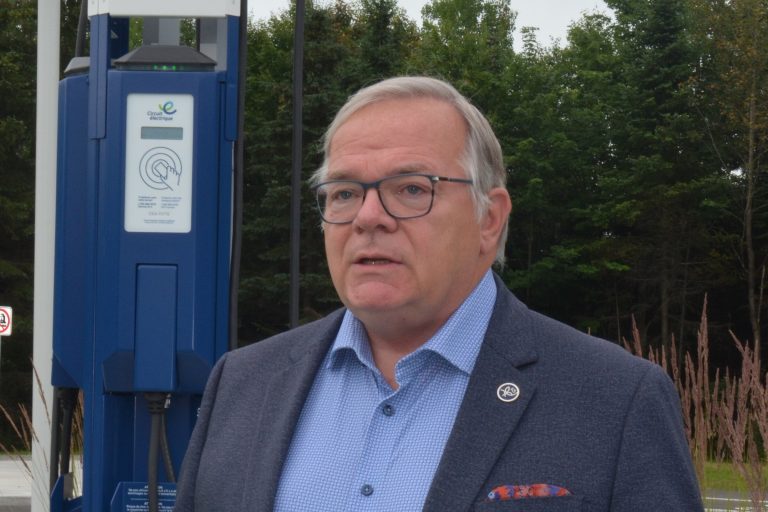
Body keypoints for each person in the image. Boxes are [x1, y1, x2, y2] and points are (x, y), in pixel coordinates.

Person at [174, 76, 703, 511]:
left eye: (411, 189)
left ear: (489, 219)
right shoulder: (243, 383)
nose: (368, 217)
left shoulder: (616, 400)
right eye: (344, 192)